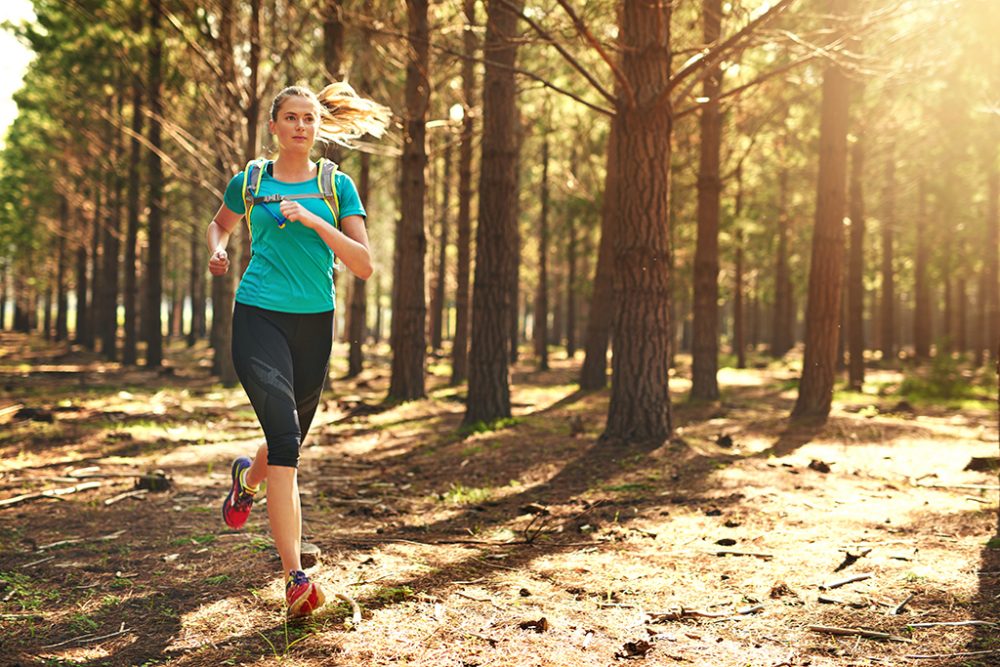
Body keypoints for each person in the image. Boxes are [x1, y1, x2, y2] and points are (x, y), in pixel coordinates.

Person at [208, 82, 389, 618]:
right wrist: (218, 253)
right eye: (291, 118)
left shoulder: (337, 186)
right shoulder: (250, 181)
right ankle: (295, 578)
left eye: (309, 119)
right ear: (274, 126)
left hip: (315, 324)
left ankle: (247, 481)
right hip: (258, 316)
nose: (301, 127)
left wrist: (314, 220)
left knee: (282, 441)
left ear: (318, 126)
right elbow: (219, 226)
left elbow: (362, 263)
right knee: (287, 440)